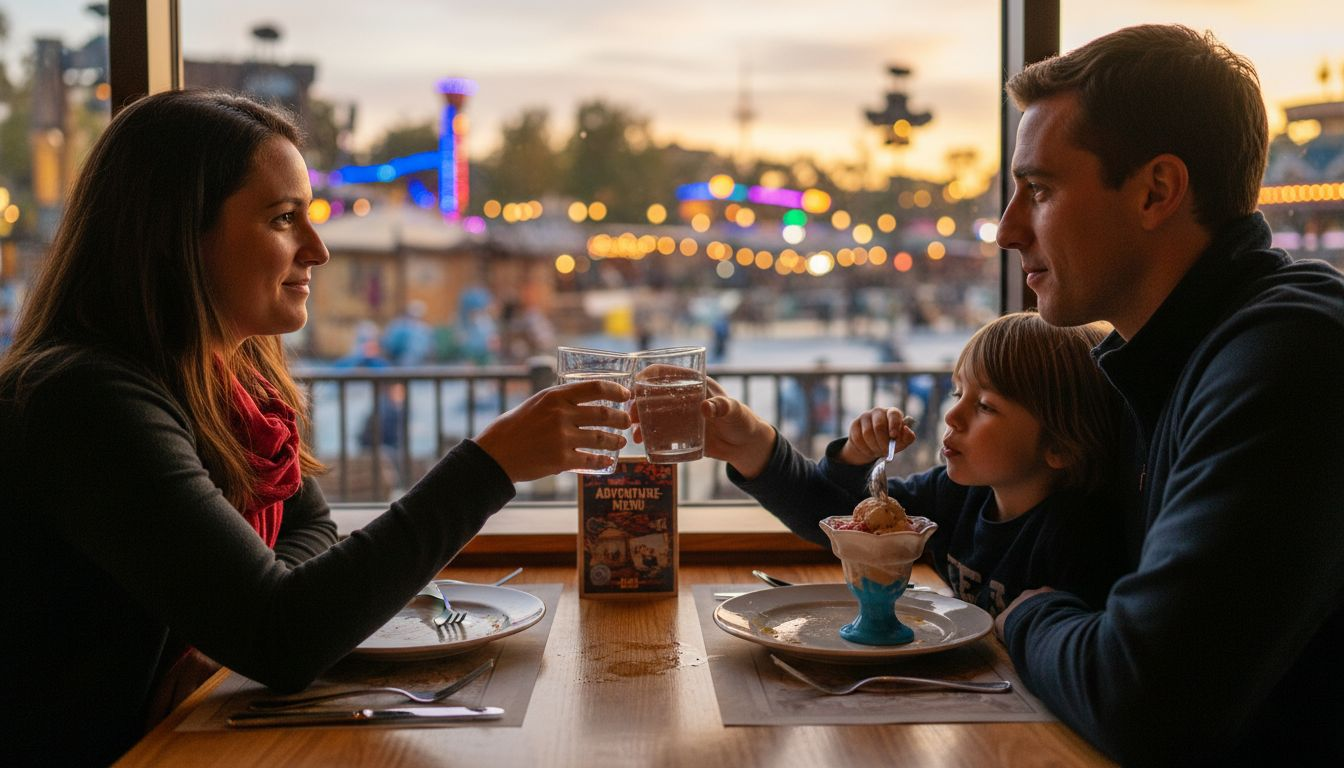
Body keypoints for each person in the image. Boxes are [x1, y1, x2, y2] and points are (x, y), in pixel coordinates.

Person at [0, 90, 631, 768]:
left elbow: (310, 536)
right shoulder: (85, 400)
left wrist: (221, 631)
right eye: (283, 219)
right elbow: (283, 635)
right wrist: (489, 466)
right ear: (178, 236)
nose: (318, 249)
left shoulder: (237, 384)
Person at [992, 25, 1344, 765]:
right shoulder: (1160, 358)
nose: (1005, 230)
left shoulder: (1290, 361)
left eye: (1040, 190)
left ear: (1156, 191)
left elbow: (1142, 699)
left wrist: (1028, 616)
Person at [686, 312, 1128, 616]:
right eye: (959, 394)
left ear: (1061, 445)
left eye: (987, 406)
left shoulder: (1084, 537)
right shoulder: (954, 494)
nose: (952, 416)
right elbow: (837, 522)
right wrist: (759, 446)